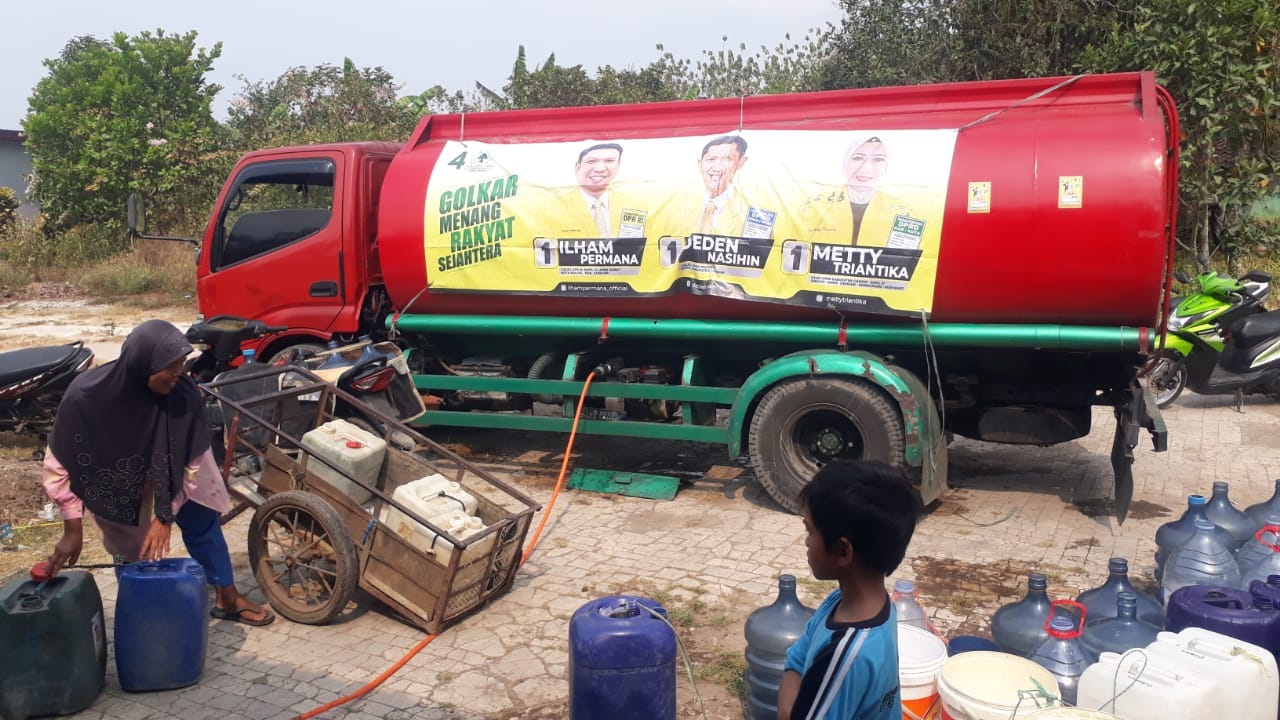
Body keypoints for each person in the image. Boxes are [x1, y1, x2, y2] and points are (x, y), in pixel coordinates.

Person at [43, 319, 274, 626]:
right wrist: (72, 530)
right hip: (116, 477)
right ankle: (143, 612)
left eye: (182, 363)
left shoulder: (183, 395)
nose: (179, 373)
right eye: (171, 365)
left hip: (173, 472)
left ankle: (227, 597)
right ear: (143, 364)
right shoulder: (86, 398)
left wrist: (165, 515)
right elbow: (60, 462)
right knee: (131, 546)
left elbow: (194, 466)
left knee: (202, 520)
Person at [777, 460, 923, 720]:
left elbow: (798, 669)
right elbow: (798, 659)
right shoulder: (856, 603)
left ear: (843, 551)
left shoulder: (844, 657)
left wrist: (788, 711)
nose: (807, 542)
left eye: (810, 531)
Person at [545, 142, 649, 238]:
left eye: (609, 161)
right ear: (577, 167)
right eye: (591, 161)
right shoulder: (553, 207)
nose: (600, 169)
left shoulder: (635, 206)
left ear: (618, 166)